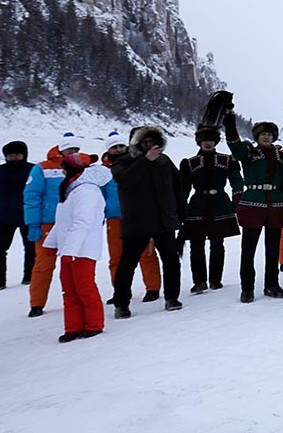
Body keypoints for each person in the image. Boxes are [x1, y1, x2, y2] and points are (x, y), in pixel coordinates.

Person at [110, 125, 186, 316]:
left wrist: (181, 214)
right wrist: (145, 161)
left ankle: (172, 297)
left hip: (163, 220)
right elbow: (124, 180)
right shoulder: (123, 161)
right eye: (144, 143)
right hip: (137, 221)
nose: (149, 146)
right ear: (136, 144)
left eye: (152, 142)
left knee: (171, 260)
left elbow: (178, 187)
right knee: (128, 263)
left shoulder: (165, 161)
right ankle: (121, 304)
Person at [225, 111, 283, 301]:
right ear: (257, 137)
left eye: (270, 134)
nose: (266, 137)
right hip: (253, 204)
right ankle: (247, 288)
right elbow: (235, 148)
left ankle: (271, 285)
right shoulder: (249, 153)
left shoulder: (281, 156)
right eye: (263, 134)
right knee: (248, 250)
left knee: (272, 250)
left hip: (276, 203)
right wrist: (230, 126)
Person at [42, 153, 110, 342]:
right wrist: (52, 243)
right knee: (69, 289)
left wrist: (70, 250)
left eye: (64, 167)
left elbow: (82, 223)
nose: (61, 171)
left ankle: (94, 324)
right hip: (69, 249)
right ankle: (73, 327)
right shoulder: (72, 189)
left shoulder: (87, 191)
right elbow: (63, 222)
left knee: (84, 288)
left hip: (83, 250)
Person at [179, 126, 243, 293]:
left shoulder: (227, 160)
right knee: (196, 244)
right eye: (204, 140)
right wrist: (181, 207)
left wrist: (237, 200)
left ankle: (215, 279)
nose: (207, 143)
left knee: (217, 243)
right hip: (197, 204)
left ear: (215, 141)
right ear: (199, 142)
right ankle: (199, 281)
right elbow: (183, 188)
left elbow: (237, 181)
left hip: (220, 203)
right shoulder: (189, 163)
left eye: (211, 140)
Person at [23, 131, 81, 317]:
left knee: (75, 263)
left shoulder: (81, 167)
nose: (72, 152)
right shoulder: (42, 168)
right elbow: (31, 196)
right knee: (43, 265)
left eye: (75, 149)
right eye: (69, 149)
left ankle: (78, 297)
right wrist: (33, 223)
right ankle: (37, 303)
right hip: (48, 224)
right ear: (61, 150)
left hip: (72, 223)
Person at [101, 130, 161, 303]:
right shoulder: (102, 171)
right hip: (114, 218)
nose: (118, 149)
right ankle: (119, 290)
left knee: (146, 254)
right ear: (108, 150)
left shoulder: (135, 163)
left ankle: (153, 287)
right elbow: (100, 195)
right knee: (116, 257)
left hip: (138, 215)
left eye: (121, 146)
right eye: (114, 147)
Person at [0, 140, 35, 292]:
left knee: (31, 248)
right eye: (10, 155)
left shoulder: (34, 170)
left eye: (17, 155)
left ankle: (29, 276)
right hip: (4, 217)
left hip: (29, 216)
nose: (14, 158)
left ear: (24, 155)